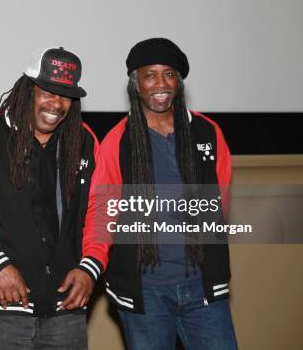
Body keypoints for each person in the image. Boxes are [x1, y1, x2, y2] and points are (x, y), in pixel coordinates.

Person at [0, 47, 109, 350]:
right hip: (5, 304)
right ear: (27, 89)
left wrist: (90, 266)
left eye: (66, 95)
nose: (56, 104)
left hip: (67, 306)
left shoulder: (84, 141)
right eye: (46, 92)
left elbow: (101, 211)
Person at [98, 38, 237, 349]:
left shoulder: (208, 132)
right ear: (136, 84)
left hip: (201, 286)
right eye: (150, 75)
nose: (160, 84)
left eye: (169, 74)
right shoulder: (116, 141)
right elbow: (104, 215)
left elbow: (220, 205)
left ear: (179, 81)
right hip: (146, 291)